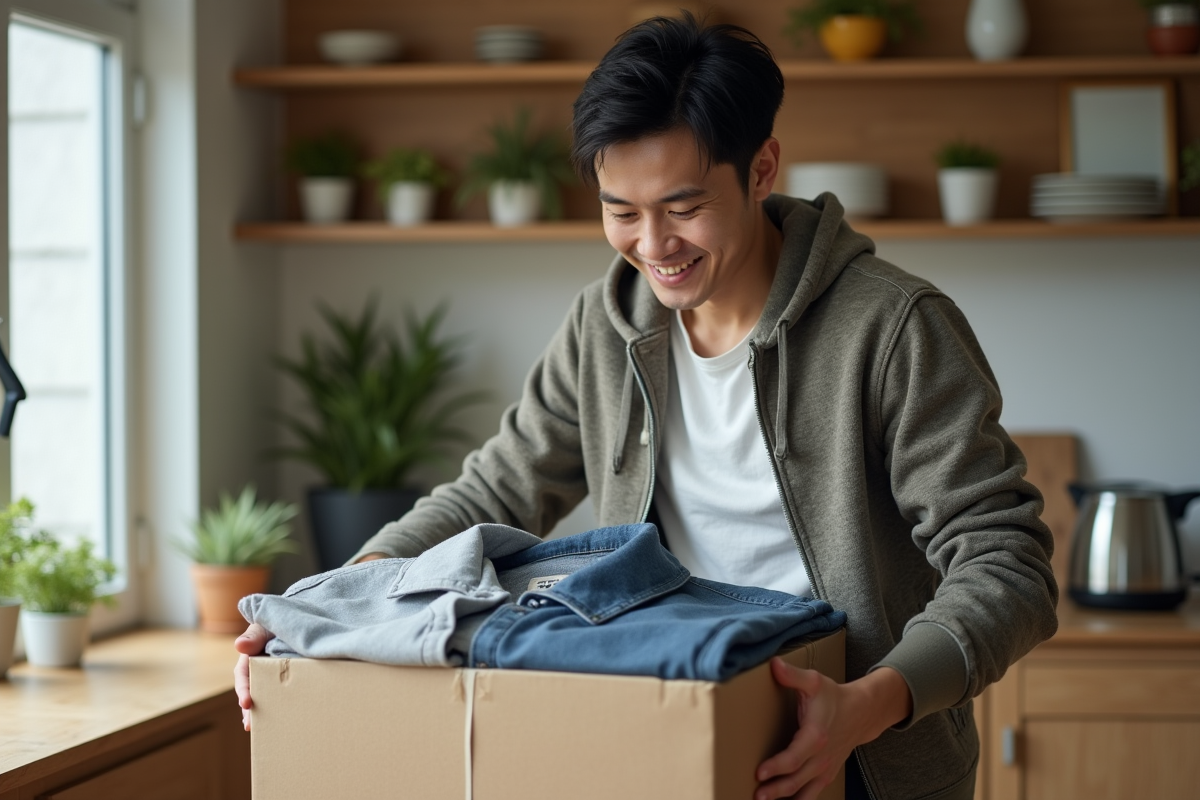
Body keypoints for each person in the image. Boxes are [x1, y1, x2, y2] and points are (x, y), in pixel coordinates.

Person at [235, 14, 1057, 800]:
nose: (653, 246)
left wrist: (870, 703)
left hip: (865, 750)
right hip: (655, 718)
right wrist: (329, 605)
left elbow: (1005, 560)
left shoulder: (893, 326)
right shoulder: (607, 323)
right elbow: (493, 491)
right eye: (620, 211)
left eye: (684, 207)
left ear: (762, 169)